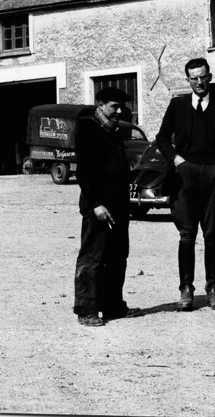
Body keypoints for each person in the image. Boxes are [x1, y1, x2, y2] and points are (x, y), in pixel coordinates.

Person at [155, 58, 215, 312]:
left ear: (210, 77)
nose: (199, 82)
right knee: (187, 234)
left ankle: (213, 288)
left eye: (203, 77)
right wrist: (177, 160)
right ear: (188, 80)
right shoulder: (178, 104)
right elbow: (161, 138)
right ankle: (186, 289)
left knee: (212, 234)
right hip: (186, 176)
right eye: (194, 78)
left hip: (214, 175)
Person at [73, 87, 139, 327]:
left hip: (119, 205)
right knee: (92, 257)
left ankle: (113, 306)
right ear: (100, 104)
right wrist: (96, 204)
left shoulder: (115, 131)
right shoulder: (88, 130)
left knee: (117, 256)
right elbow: (84, 173)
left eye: (121, 107)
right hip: (98, 207)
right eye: (114, 106)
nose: (119, 111)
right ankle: (86, 309)